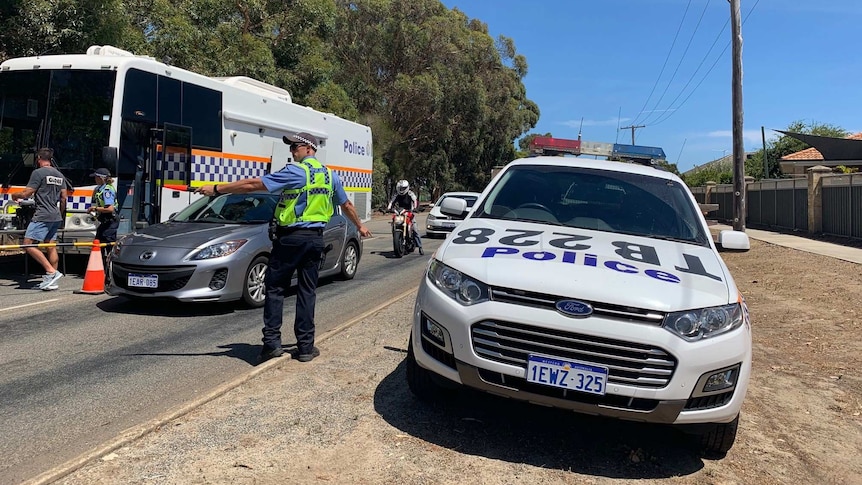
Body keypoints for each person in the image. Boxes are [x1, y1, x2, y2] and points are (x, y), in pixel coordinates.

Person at [196, 132, 372, 363]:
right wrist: (359, 226)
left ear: (309, 148)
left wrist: (218, 189)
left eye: (295, 147)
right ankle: (306, 347)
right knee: (307, 291)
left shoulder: (296, 171)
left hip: (291, 238)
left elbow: (253, 184)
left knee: (275, 288)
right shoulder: (330, 176)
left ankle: (271, 345)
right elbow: (346, 204)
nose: (292, 151)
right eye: (290, 148)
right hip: (315, 239)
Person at [10, 148, 69, 290]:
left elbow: (28, 193)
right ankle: (51, 282)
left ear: (39, 158)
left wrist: (15, 195)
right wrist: (59, 215)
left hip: (42, 214)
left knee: (27, 244)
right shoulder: (59, 175)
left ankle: (51, 271)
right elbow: (64, 198)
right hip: (55, 215)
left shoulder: (38, 173)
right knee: (50, 245)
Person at [87, 167, 119, 255]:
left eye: (96, 177)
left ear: (100, 178)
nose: (95, 179)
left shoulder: (107, 190)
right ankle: (101, 264)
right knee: (98, 243)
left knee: (109, 245)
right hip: (105, 221)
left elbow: (110, 208)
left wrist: (94, 209)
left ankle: (110, 265)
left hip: (110, 221)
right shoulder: (100, 189)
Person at [386, 179, 423, 255]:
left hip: (409, 212)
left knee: (415, 229)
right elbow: (391, 202)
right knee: (393, 223)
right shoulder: (397, 195)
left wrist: (416, 208)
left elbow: (415, 201)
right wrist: (388, 208)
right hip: (400, 212)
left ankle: (420, 247)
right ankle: (397, 240)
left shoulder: (410, 194)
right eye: (400, 188)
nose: (401, 190)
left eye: (403, 188)